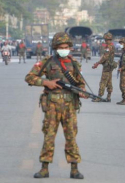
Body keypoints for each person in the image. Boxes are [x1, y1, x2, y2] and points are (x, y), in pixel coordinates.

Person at [25, 32, 87, 179]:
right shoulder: (47, 62)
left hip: (69, 106)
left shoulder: (74, 64)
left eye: (66, 47)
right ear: (55, 48)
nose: (64, 49)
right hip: (52, 106)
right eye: (61, 47)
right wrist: (47, 83)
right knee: (49, 137)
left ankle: (74, 169)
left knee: (71, 137)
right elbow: (29, 77)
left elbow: (80, 84)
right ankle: (44, 168)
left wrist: (82, 91)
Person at [92, 32, 116, 102]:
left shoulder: (109, 47)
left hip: (107, 66)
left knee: (103, 81)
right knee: (109, 81)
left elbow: (105, 57)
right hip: (110, 66)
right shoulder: (111, 45)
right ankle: (108, 96)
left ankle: (99, 96)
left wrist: (98, 63)